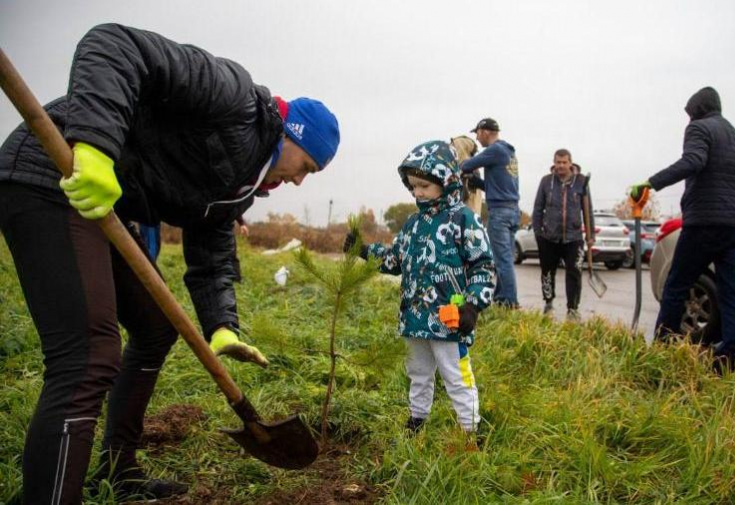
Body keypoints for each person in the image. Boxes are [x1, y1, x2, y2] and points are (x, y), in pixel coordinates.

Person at [0, 23, 340, 504]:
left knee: (157, 326)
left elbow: (212, 250)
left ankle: (120, 470)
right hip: (54, 171)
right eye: (307, 166)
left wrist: (222, 325)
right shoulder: (234, 98)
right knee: (88, 357)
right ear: (292, 135)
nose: (302, 182)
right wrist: (95, 150)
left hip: (105, 207)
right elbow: (113, 45)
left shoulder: (242, 181)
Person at [344, 140, 495, 435]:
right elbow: (394, 259)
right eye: (413, 186)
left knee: (456, 375)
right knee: (418, 372)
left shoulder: (464, 219)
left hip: (450, 317)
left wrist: (473, 305)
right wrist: (362, 250)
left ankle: (470, 428)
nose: (418, 192)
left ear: (447, 179)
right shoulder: (413, 224)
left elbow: (483, 265)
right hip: (414, 316)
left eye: (424, 185)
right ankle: (416, 420)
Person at [630, 86, 735, 374]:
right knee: (731, 292)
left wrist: (649, 183)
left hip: (704, 223)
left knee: (677, 284)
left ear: (697, 110)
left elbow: (693, 161)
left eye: (689, 115)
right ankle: (728, 356)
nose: (688, 121)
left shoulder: (699, 128)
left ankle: (661, 348)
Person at [460, 118, 520, 308]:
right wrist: (476, 182)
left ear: (485, 132)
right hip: (512, 210)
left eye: (477, 134)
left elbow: (466, 165)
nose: (477, 139)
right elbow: (494, 186)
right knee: (507, 258)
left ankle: (508, 301)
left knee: (501, 260)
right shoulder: (508, 153)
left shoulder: (494, 150)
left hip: (500, 213)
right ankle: (503, 299)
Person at [531, 149, 594, 319]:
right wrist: (538, 232)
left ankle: (572, 308)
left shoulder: (581, 182)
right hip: (549, 237)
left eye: (564, 162)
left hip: (574, 238)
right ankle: (548, 303)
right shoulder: (546, 182)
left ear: (570, 163)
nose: (561, 165)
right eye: (558, 162)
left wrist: (590, 236)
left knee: (574, 272)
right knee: (547, 272)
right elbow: (538, 208)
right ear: (554, 163)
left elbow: (588, 211)